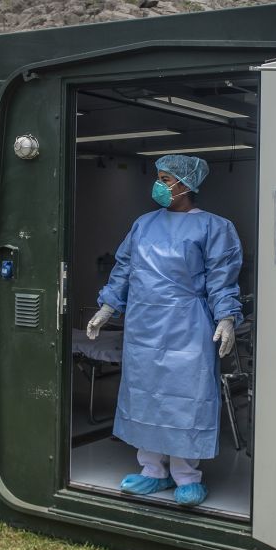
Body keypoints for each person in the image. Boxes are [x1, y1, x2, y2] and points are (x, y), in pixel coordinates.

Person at [86, 154, 243, 507]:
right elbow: (125, 268)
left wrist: (227, 317)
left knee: (185, 399)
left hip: (188, 324)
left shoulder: (214, 228)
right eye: (158, 177)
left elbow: (222, 277)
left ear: (186, 185)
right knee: (145, 395)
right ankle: (152, 471)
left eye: (165, 178)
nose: (158, 184)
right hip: (143, 326)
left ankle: (187, 475)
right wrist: (107, 307)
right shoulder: (143, 224)